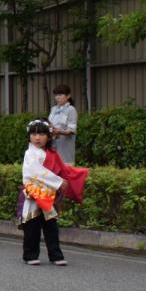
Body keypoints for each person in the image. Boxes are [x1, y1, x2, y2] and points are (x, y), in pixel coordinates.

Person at [17, 120, 90, 265]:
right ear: (29, 136)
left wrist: (78, 173)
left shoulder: (52, 154)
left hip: (49, 194)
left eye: (42, 133)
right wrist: (57, 181)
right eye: (34, 133)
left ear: (48, 136)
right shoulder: (29, 153)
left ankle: (56, 255)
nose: (37, 137)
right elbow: (34, 171)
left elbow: (62, 169)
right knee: (32, 227)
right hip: (34, 193)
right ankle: (30, 255)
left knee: (51, 226)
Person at [48, 84, 78, 165]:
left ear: (68, 96)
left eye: (60, 95)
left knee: (66, 169)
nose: (57, 97)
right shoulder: (53, 109)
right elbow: (50, 124)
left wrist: (59, 132)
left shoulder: (71, 110)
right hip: (52, 145)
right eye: (56, 95)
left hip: (65, 147)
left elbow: (72, 130)